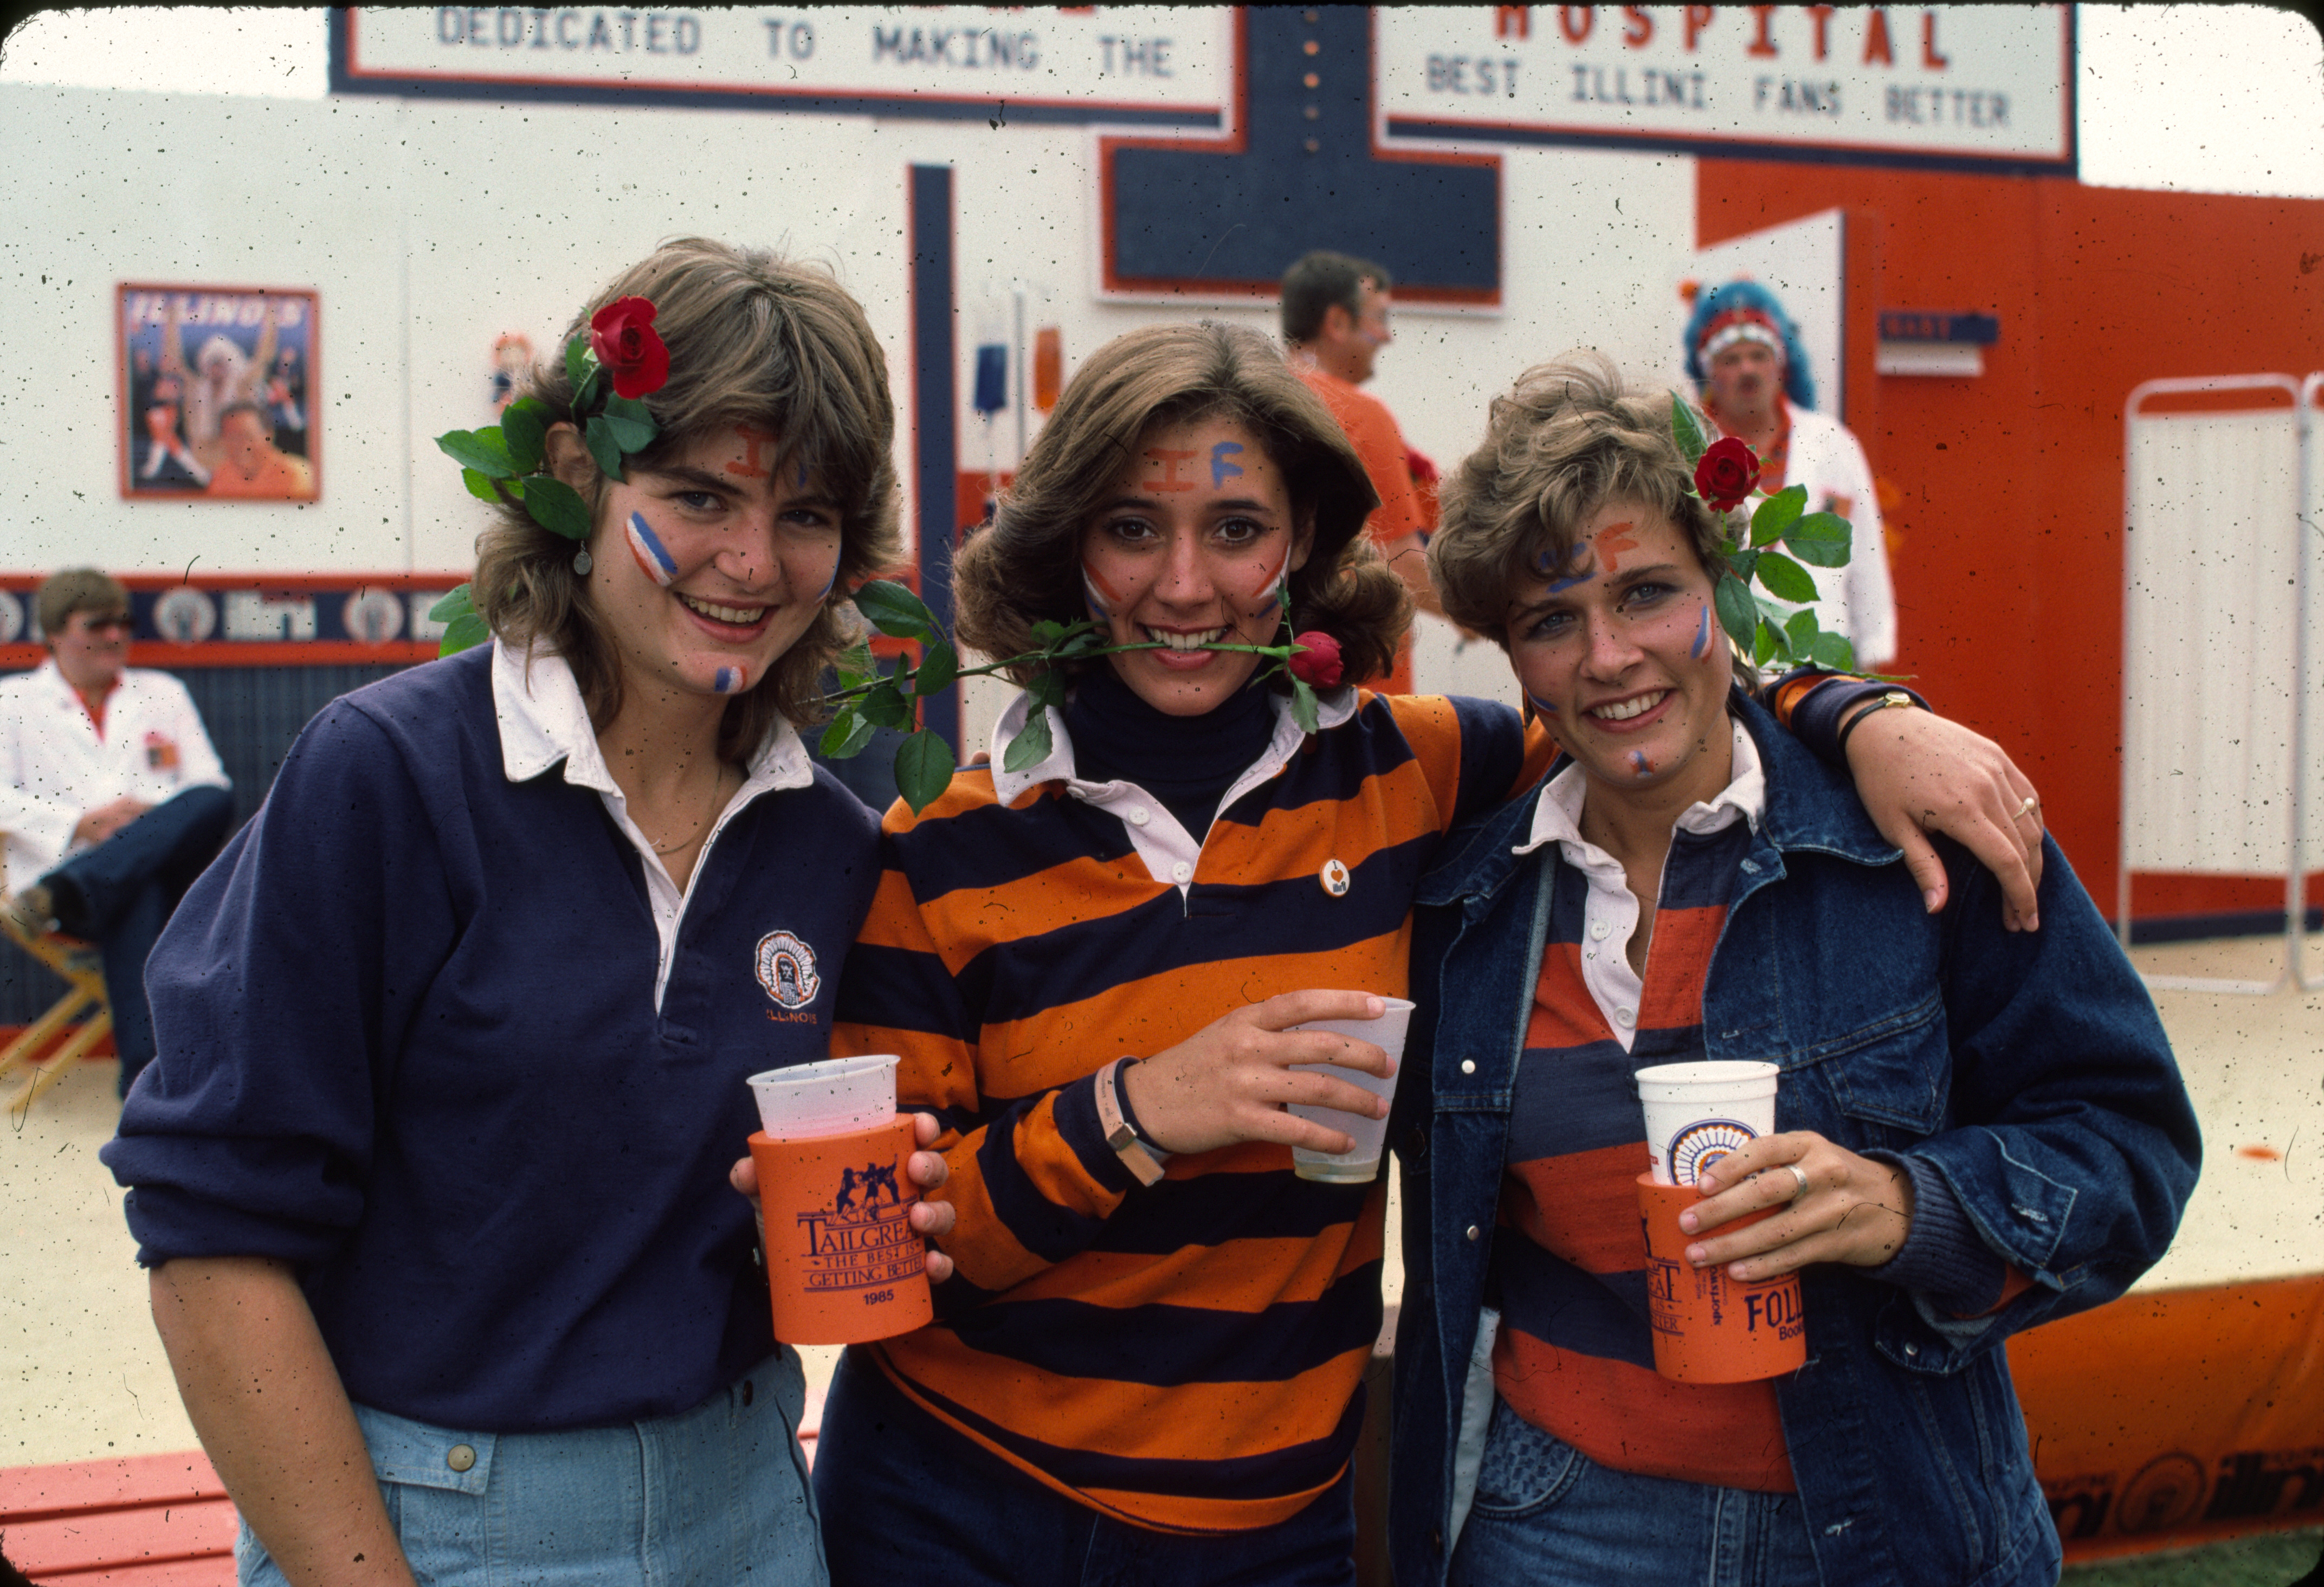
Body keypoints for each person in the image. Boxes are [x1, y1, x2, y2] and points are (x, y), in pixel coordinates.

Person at [806, 322, 2058, 1587]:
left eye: (1236, 530)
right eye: (1131, 529)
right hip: (957, 1509)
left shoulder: (1421, 771)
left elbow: (1640, 711)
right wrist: (1137, 1111)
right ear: (1068, 545)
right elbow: (892, 1261)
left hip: (1265, 1535)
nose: (1182, 587)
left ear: (1301, 544)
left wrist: (1856, 715)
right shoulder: (940, 848)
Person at [102, 239, 953, 1587]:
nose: (751, 561)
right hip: (438, 1525)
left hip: (749, 1503)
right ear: (575, 474)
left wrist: (879, 1205)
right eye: (698, 495)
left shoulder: (829, 842)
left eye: (804, 515)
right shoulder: (390, 777)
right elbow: (211, 1247)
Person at [1389, 352, 2200, 1587]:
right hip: (1559, 1522)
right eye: (1551, 620)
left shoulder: (1912, 837)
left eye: (1648, 593)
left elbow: (2129, 1144)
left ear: (1721, 588)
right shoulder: (1467, 903)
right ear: (1510, 653)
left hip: (1888, 1520)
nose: (1607, 655)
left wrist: (1909, 1207)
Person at [1, 569, 232, 1097]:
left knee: (212, 801)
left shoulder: (163, 692)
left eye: (123, 623)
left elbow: (209, 784)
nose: (115, 635)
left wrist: (143, 822)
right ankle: (151, 1086)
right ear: (55, 633)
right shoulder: (13, 701)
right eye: (97, 625)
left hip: (122, 883)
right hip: (75, 881)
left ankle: (69, 889)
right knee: (137, 885)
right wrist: (80, 823)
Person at [1684, 279, 1899, 666]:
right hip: (1728, 671)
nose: (1747, 369)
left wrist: (1873, 656)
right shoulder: (1688, 452)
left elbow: (1867, 557)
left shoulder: (1833, 443)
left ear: (1781, 365)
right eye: (1730, 360)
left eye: (1759, 355)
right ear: (1708, 373)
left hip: (1827, 669)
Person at [1281, 250, 1449, 691]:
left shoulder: (1257, 398)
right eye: (1379, 318)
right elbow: (1403, 563)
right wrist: (1485, 616)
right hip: (1357, 682)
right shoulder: (1360, 415)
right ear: (1337, 322)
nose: (1387, 337)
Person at [203, 402, 315, 499]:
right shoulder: (222, 475)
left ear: (269, 435)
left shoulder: (298, 474)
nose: (241, 445)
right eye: (232, 438)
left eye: (247, 436)